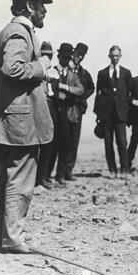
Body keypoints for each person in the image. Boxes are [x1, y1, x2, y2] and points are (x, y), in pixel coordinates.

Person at [0, 0, 55, 253]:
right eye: (42, 6)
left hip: (10, 118)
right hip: (21, 120)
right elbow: (13, 68)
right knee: (20, 178)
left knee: (10, 178)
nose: (45, 12)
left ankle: (5, 235)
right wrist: (41, 67)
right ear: (30, 5)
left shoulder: (11, 31)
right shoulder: (19, 33)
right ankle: (12, 237)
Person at [93, 45, 132, 180]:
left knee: (122, 142)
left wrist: (128, 114)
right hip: (106, 114)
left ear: (120, 56)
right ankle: (112, 170)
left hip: (121, 114)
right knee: (108, 143)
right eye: (113, 56)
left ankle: (125, 169)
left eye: (117, 56)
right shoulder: (102, 73)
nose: (115, 58)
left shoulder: (126, 73)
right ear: (109, 56)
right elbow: (98, 95)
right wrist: (98, 115)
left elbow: (129, 94)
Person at [52, 43, 84, 185]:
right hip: (53, 112)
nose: (65, 60)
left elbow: (80, 90)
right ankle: (45, 175)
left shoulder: (72, 75)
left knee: (65, 144)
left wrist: (65, 88)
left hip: (66, 114)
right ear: (58, 57)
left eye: (67, 57)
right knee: (51, 146)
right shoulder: (52, 72)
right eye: (63, 57)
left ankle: (60, 174)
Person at [67, 42, 95, 177]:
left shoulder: (84, 73)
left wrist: (83, 97)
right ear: (73, 53)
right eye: (78, 54)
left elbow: (91, 87)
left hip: (77, 110)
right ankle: (58, 172)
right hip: (64, 108)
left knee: (74, 140)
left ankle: (68, 171)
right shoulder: (65, 69)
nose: (80, 57)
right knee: (63, 140)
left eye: (82, 56)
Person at [35, 41, 58, 189]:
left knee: (49, 144)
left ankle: (43, 177)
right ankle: (36, 179)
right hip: (38, 108)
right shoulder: (37, 69)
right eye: (44, 55)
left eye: (49, 55)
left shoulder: (54, 72)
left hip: (51, 108)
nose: (46, 57)